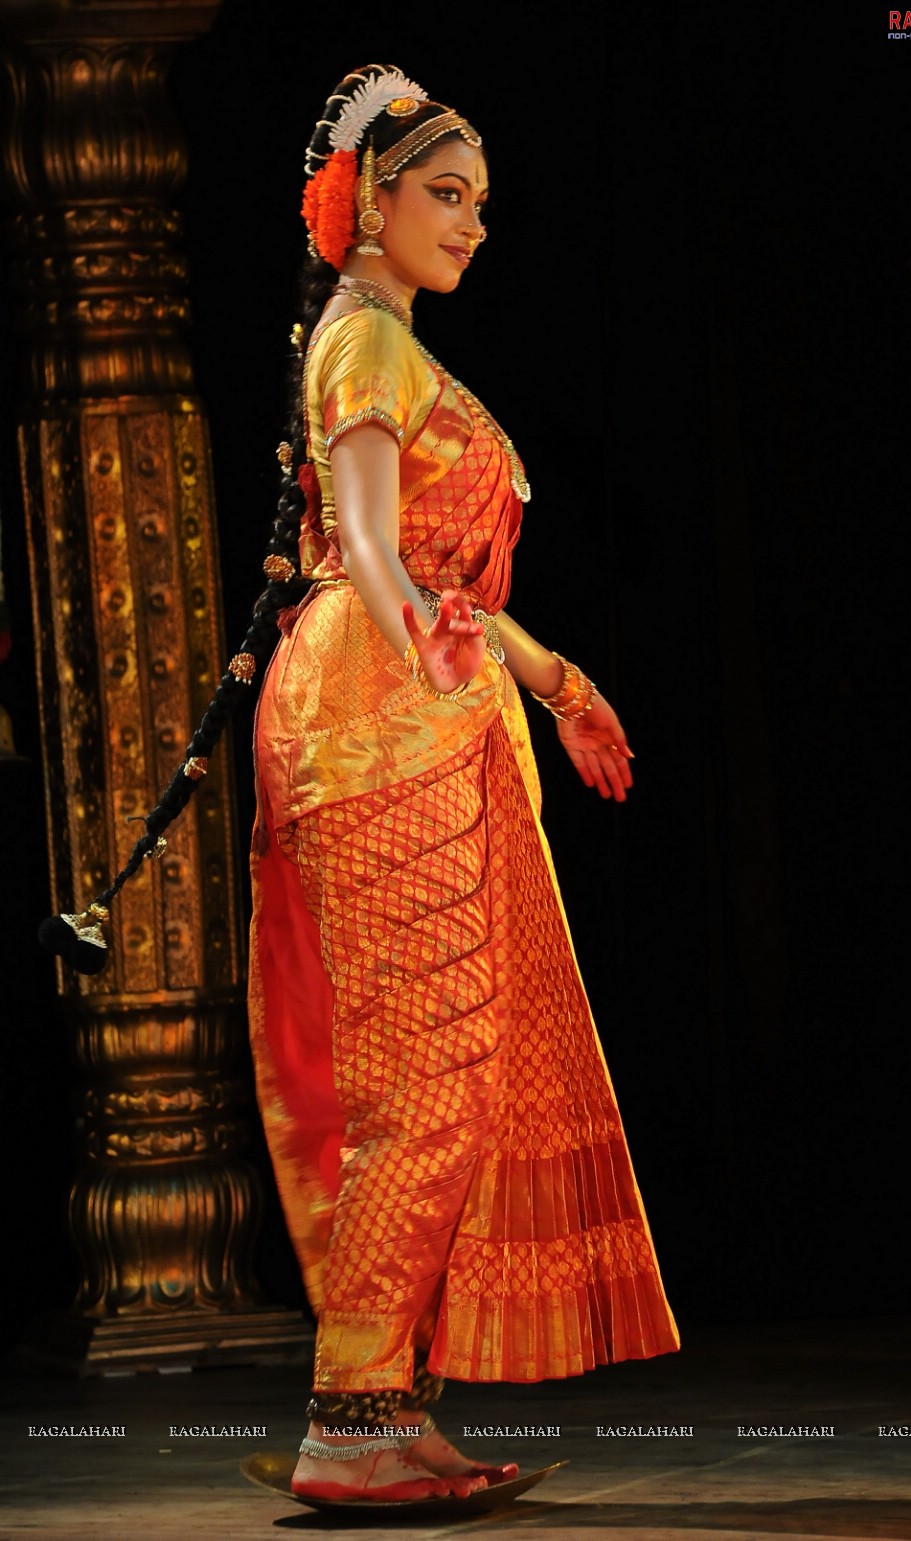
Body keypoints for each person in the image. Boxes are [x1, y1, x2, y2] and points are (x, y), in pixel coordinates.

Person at [41, 62, 679, 1507]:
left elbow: (424, 581)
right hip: (373, 720)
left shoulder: (385, 342)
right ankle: (350, 1416)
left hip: (405, 703)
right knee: (422, 1083)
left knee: (440, 1077)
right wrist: (425, 655)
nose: (472, 224)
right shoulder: (368, 346)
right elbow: (380, 557)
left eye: (482, 203)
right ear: (371, 201)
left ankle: (389, 1398)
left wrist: (560, 685)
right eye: (445, 194)